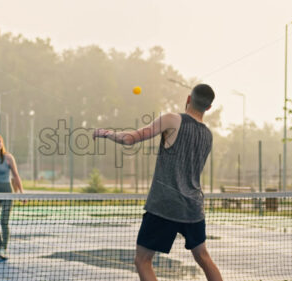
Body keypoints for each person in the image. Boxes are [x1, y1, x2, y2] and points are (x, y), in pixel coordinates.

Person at [93, 84, 223, 281]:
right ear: (208, 108)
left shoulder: (172, 119)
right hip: (193, 207)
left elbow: (130, 139)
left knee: (143, 260)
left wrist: (106, 133)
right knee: (203, 257)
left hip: (165, 205)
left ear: (189, 99)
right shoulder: (208, 135)